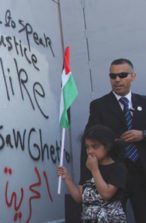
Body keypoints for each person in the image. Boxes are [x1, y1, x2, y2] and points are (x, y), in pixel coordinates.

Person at [80, 58, 146, 222]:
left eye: (122, 75)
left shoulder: (144, 102)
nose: (117, 80)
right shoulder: (99, 106)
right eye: (113, 76)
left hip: (141, 173)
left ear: (133, 76)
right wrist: (84, 178)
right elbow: (88, 141)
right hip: (112, 175)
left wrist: (143, 134)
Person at [58, 125, 127, 222]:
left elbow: (106, 194)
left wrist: (94, 170)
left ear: (108, 146)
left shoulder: (117, 168)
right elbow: (79, 197)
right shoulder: (88, 167)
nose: (90, 151)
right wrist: (67, 178)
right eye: (87, 147)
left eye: (95, 146)